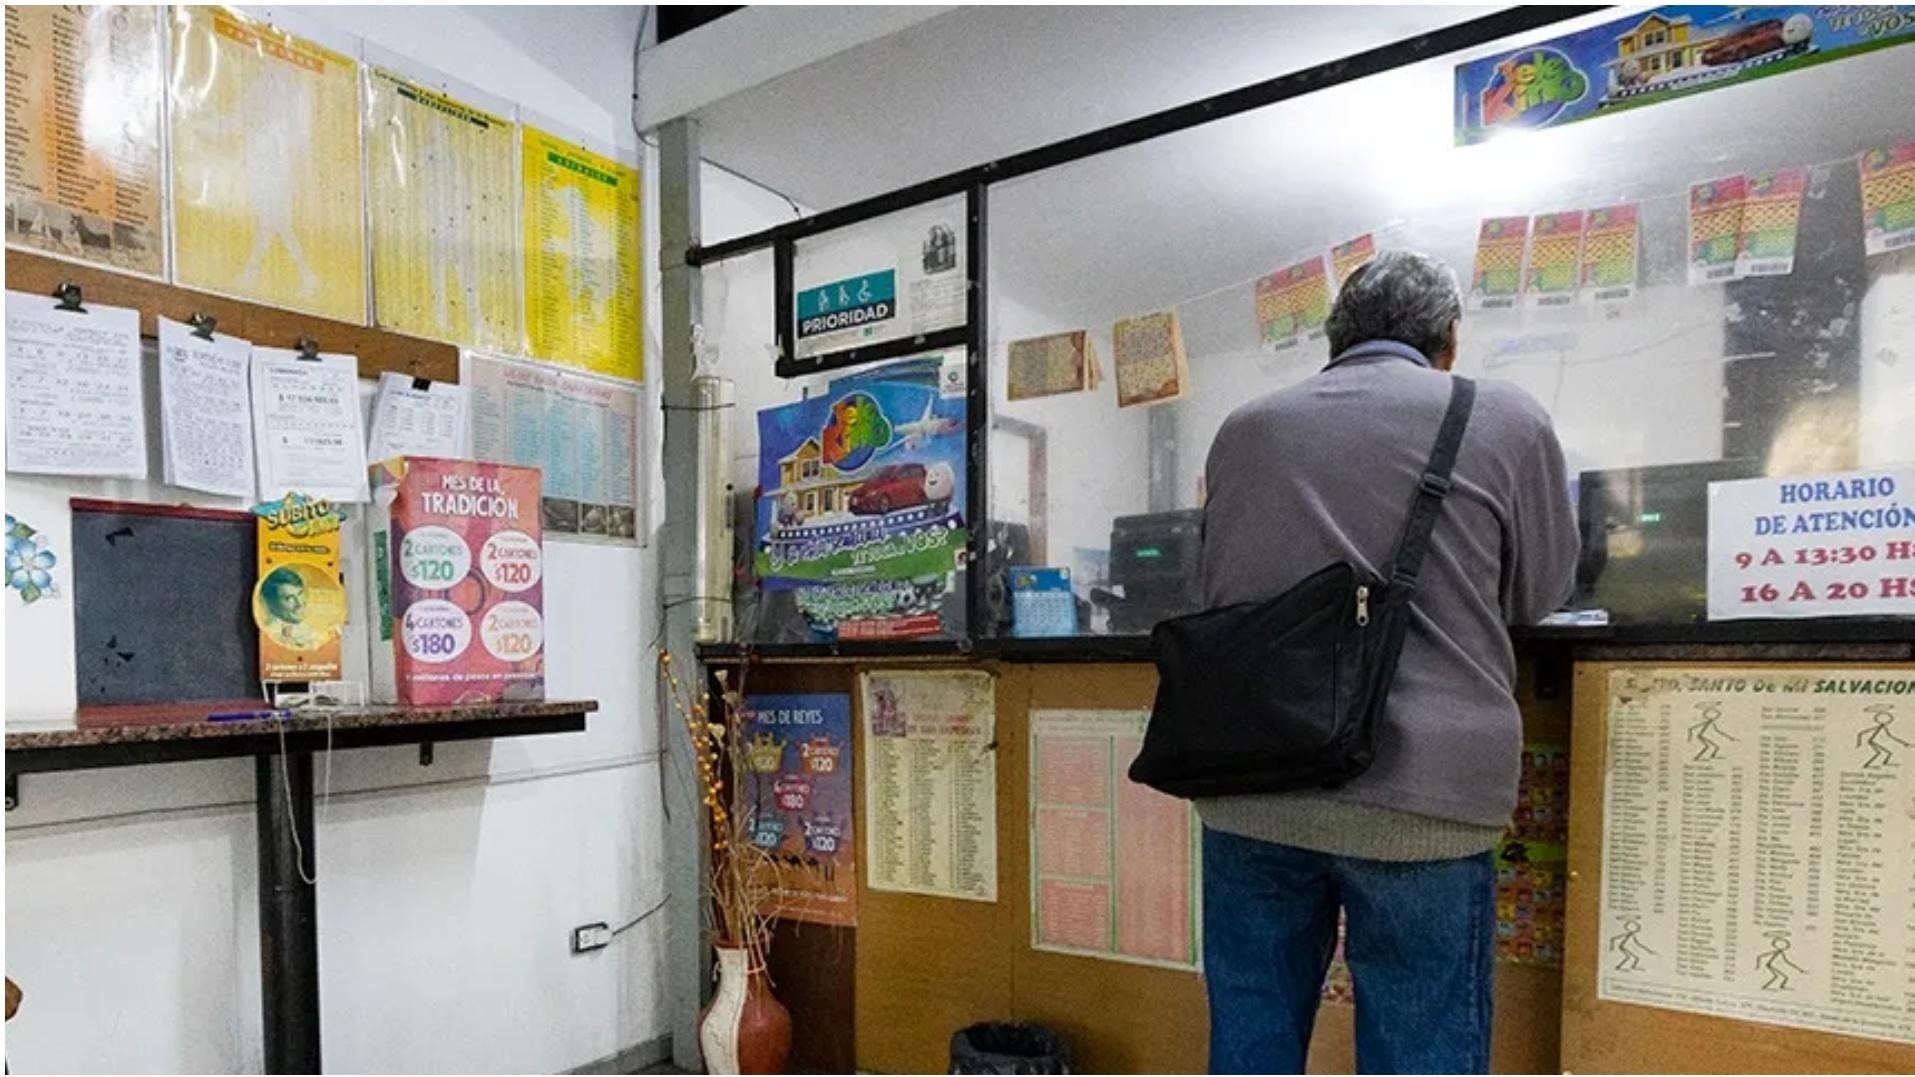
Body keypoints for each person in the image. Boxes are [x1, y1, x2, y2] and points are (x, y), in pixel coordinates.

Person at [1196, 251, 1578, 1074]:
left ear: (1334, 339)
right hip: (1424, 796)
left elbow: (1215, 583)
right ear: (1447, 339)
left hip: (1247, 785)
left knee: (1249, 1042)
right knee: (1420, 1052)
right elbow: (1540, 593)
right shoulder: (1505, 416)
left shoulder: (1244, 426)